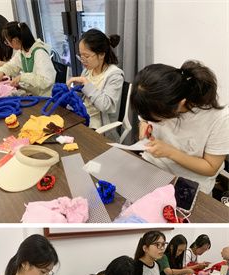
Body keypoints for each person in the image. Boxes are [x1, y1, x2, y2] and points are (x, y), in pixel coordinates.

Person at [131, 60, 229, 194]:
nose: (153, 121)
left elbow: (211, 168)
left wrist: (170, 152)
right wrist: (144, 125)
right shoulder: (158, 99)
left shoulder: (219, 118)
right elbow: (144, 119)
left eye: (156, 118)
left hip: (187, 184)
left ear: (180, 104)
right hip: (150, 168)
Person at [67, 29, 124, 130]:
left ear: (101, 54)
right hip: (82, 118)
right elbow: (82, 98)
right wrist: (71, 91)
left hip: (99, 127)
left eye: (86, 56)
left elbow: (106, 106)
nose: (83, 60)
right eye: (81, 56)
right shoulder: (87, 71)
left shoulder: (115, 76)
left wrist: (86, 84)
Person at [0, 21, 55, 96]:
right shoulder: (22, 52)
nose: (8, 44)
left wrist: (22, 77)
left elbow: (46, 81)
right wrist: (1, 73)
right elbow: (12, 65)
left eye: (7, 42)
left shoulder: (39, 53)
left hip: (43, 97)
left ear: (15, 41)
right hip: (32, 94)